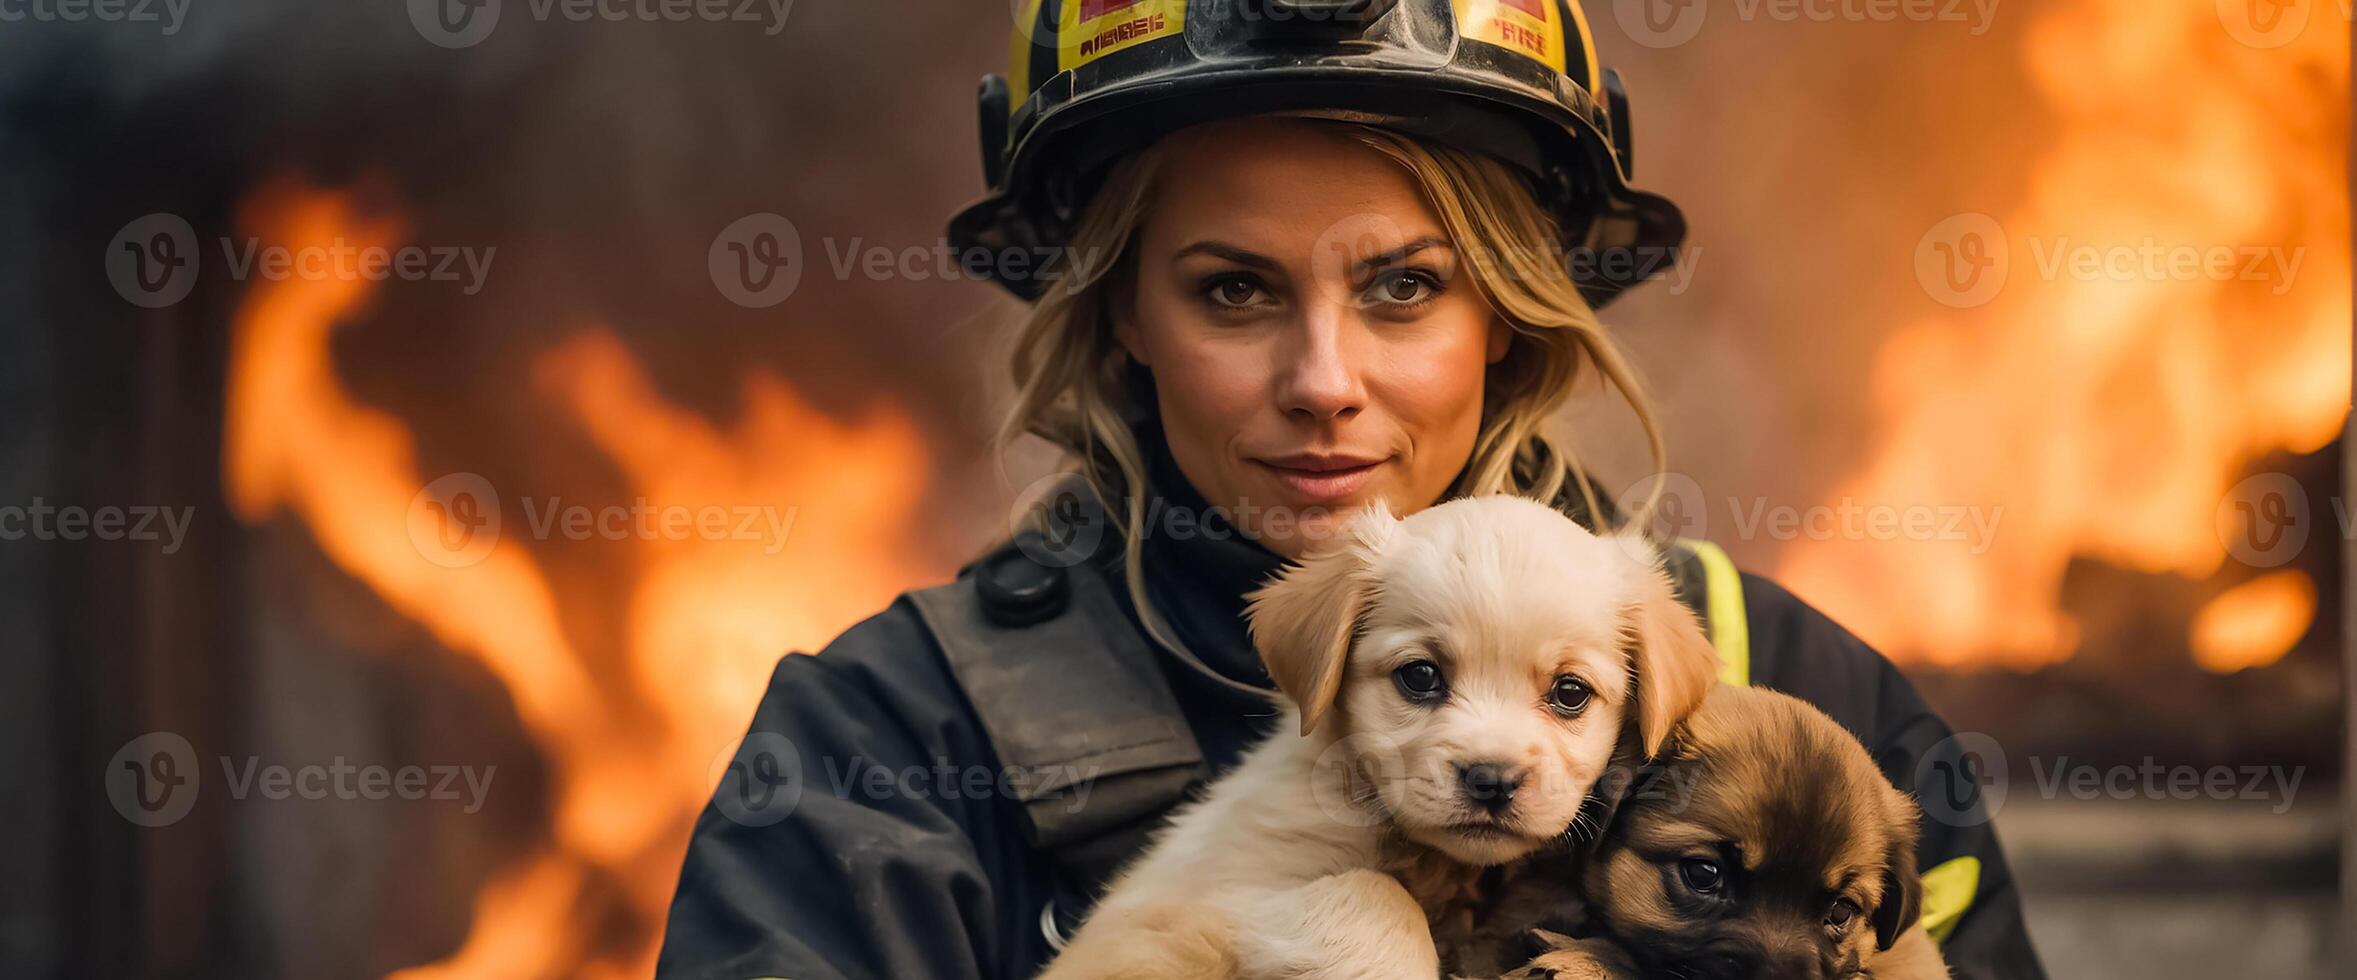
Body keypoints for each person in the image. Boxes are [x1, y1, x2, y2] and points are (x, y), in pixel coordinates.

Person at [656, 2, 2047, 978]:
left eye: (1404, 286)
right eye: (1234, 289)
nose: (1322, 378)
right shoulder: (888, 742)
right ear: (1122, 312)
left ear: (1503, 313)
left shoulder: (1798, 703)